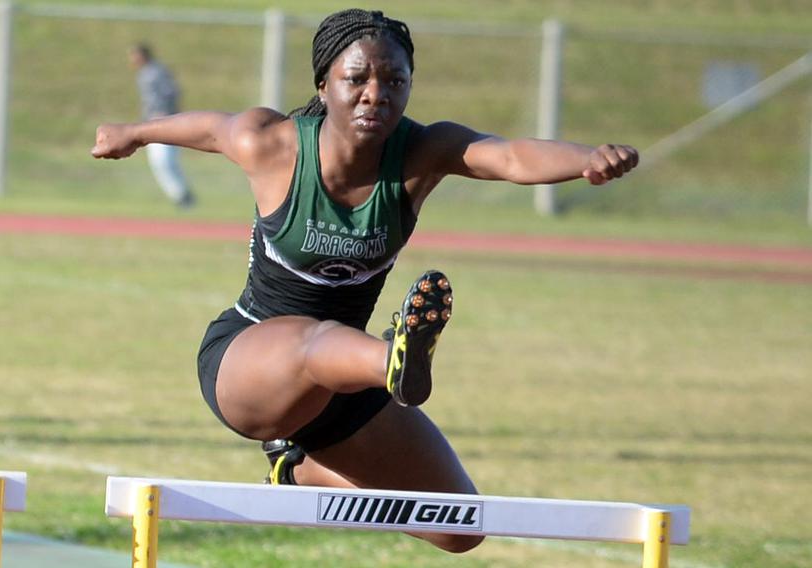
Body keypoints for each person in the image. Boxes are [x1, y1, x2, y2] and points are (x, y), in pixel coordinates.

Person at [94, 9, 638, 554]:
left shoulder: (423, 154)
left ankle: (300, 470)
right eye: (357, 79)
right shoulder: (275, 145)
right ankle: (393, 360)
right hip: (250, 361)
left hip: (343, 386)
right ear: (324, 84)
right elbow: (212, 128)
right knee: (315, 339)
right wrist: (134, 133)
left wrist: (585, 159)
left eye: (394, 82)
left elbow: (512, 155)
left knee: (458, 526)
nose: (376, 94)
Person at [128, 43, 196, 208]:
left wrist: (166, 113)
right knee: (161, 162)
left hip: (163, 121)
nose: (132, 60)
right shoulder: (143, 74)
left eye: (134, 55)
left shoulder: (157, 72)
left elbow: (171, 92)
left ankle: (182, 196)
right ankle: (181, 195)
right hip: (152, 121)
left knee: (163, 160)